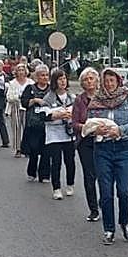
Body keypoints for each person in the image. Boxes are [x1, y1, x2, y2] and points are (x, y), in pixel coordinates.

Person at [85, 67, 128, 244]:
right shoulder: (96, 99)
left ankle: (124, 222)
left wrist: (120, 130)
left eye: (112, 80)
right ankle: (109, 229)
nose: (109, 84)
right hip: (103, 149)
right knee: (106, 192)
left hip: (124, 148)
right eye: (106, 81)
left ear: (118, 81)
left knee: (124, 190)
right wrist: (95, 130)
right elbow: (88, 125)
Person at [72, 67, 103, 221]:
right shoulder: (79, 100)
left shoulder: (104, 97)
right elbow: (74, 123)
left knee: (104, 174)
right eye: (86, 79)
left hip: (103, 140)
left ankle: (104, 200)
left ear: (97, 80)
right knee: (89, 175)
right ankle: (93, 209)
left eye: (91, 78)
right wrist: (87, 127)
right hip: (86, 141)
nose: (89, 81)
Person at [41, 68, 76, 200]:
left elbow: (79, 114)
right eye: (60, 79)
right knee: (56, 162)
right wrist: (57, 115)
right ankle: (56, 188)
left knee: (70, 161)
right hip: (54, 134)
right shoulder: (48, 98)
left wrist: (70, 116)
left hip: (69, 134)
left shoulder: (72, 97)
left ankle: (70, 184)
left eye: (64, 79)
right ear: (54, 82)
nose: (63, 82)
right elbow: (43, 116)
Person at [20, 65, 53, 184]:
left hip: (48, 124)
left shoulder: (51, 90)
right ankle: (32, 172)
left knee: (46, 151)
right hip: (33, 124)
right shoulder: (30, 88)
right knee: (33, 149)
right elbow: (24, 103)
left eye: (46, 75)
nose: (45, 77)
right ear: (37, 76)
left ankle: (44, 174)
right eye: (42, 75)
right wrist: (34, 100)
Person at [5, 63, 31, 158]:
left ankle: (27, 149)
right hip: (16, 107)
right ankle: (18, 149)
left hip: (27, 108)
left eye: (22, 70)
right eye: (19, 70)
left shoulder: (30, 82)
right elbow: (9, 97)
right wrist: (18, 97)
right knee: (16, 129)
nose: (21, 72)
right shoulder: (12, 83)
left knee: (28, 129)